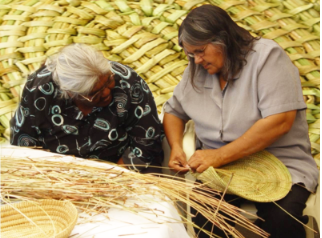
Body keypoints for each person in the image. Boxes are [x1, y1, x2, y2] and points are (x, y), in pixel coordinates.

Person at [163, 4, 319, 238]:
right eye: (191, 54)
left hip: (279, 164)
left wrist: (218, 155)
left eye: (201, 51)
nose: (196, 60)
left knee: (282, 220)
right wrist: (176, 147)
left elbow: (280, 121)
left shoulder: (267, 57)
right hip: (221, 171)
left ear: (223, 39)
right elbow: (173, 111)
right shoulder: (197, 70)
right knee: (204, 212)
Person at [10, 43, 164, 174]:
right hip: (58, 174)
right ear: (69, 93)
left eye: (108, 81)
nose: (106, 93)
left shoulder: (128, 83)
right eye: (94, 93)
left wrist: (113, 178)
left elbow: (147, 142)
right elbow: (24, 142)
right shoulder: (39, 89)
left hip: (119, 171)